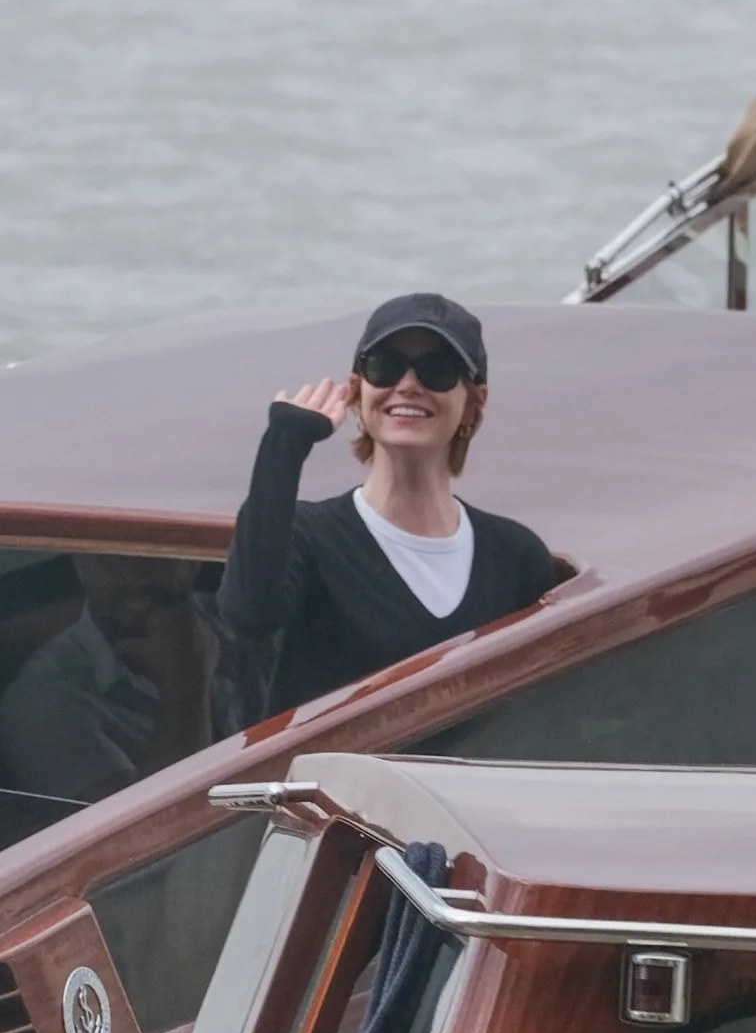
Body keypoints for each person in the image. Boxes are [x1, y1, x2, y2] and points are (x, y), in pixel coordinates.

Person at [217, 293, 557, 716]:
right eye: (385, 366)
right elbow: (250, 615)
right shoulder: (309, 536)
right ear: (357, 391)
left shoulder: (515, 556)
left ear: (475, 400)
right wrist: (284, 444)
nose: (408, 384)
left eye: (437, 370)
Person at [0, 555, 250, 802]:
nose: (133, 577)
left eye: (150, 553)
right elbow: (154, 830)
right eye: (109, 559)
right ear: (79, 565)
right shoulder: (40, 703)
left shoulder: (244, 623)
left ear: (192, 560)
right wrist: (186, 688)